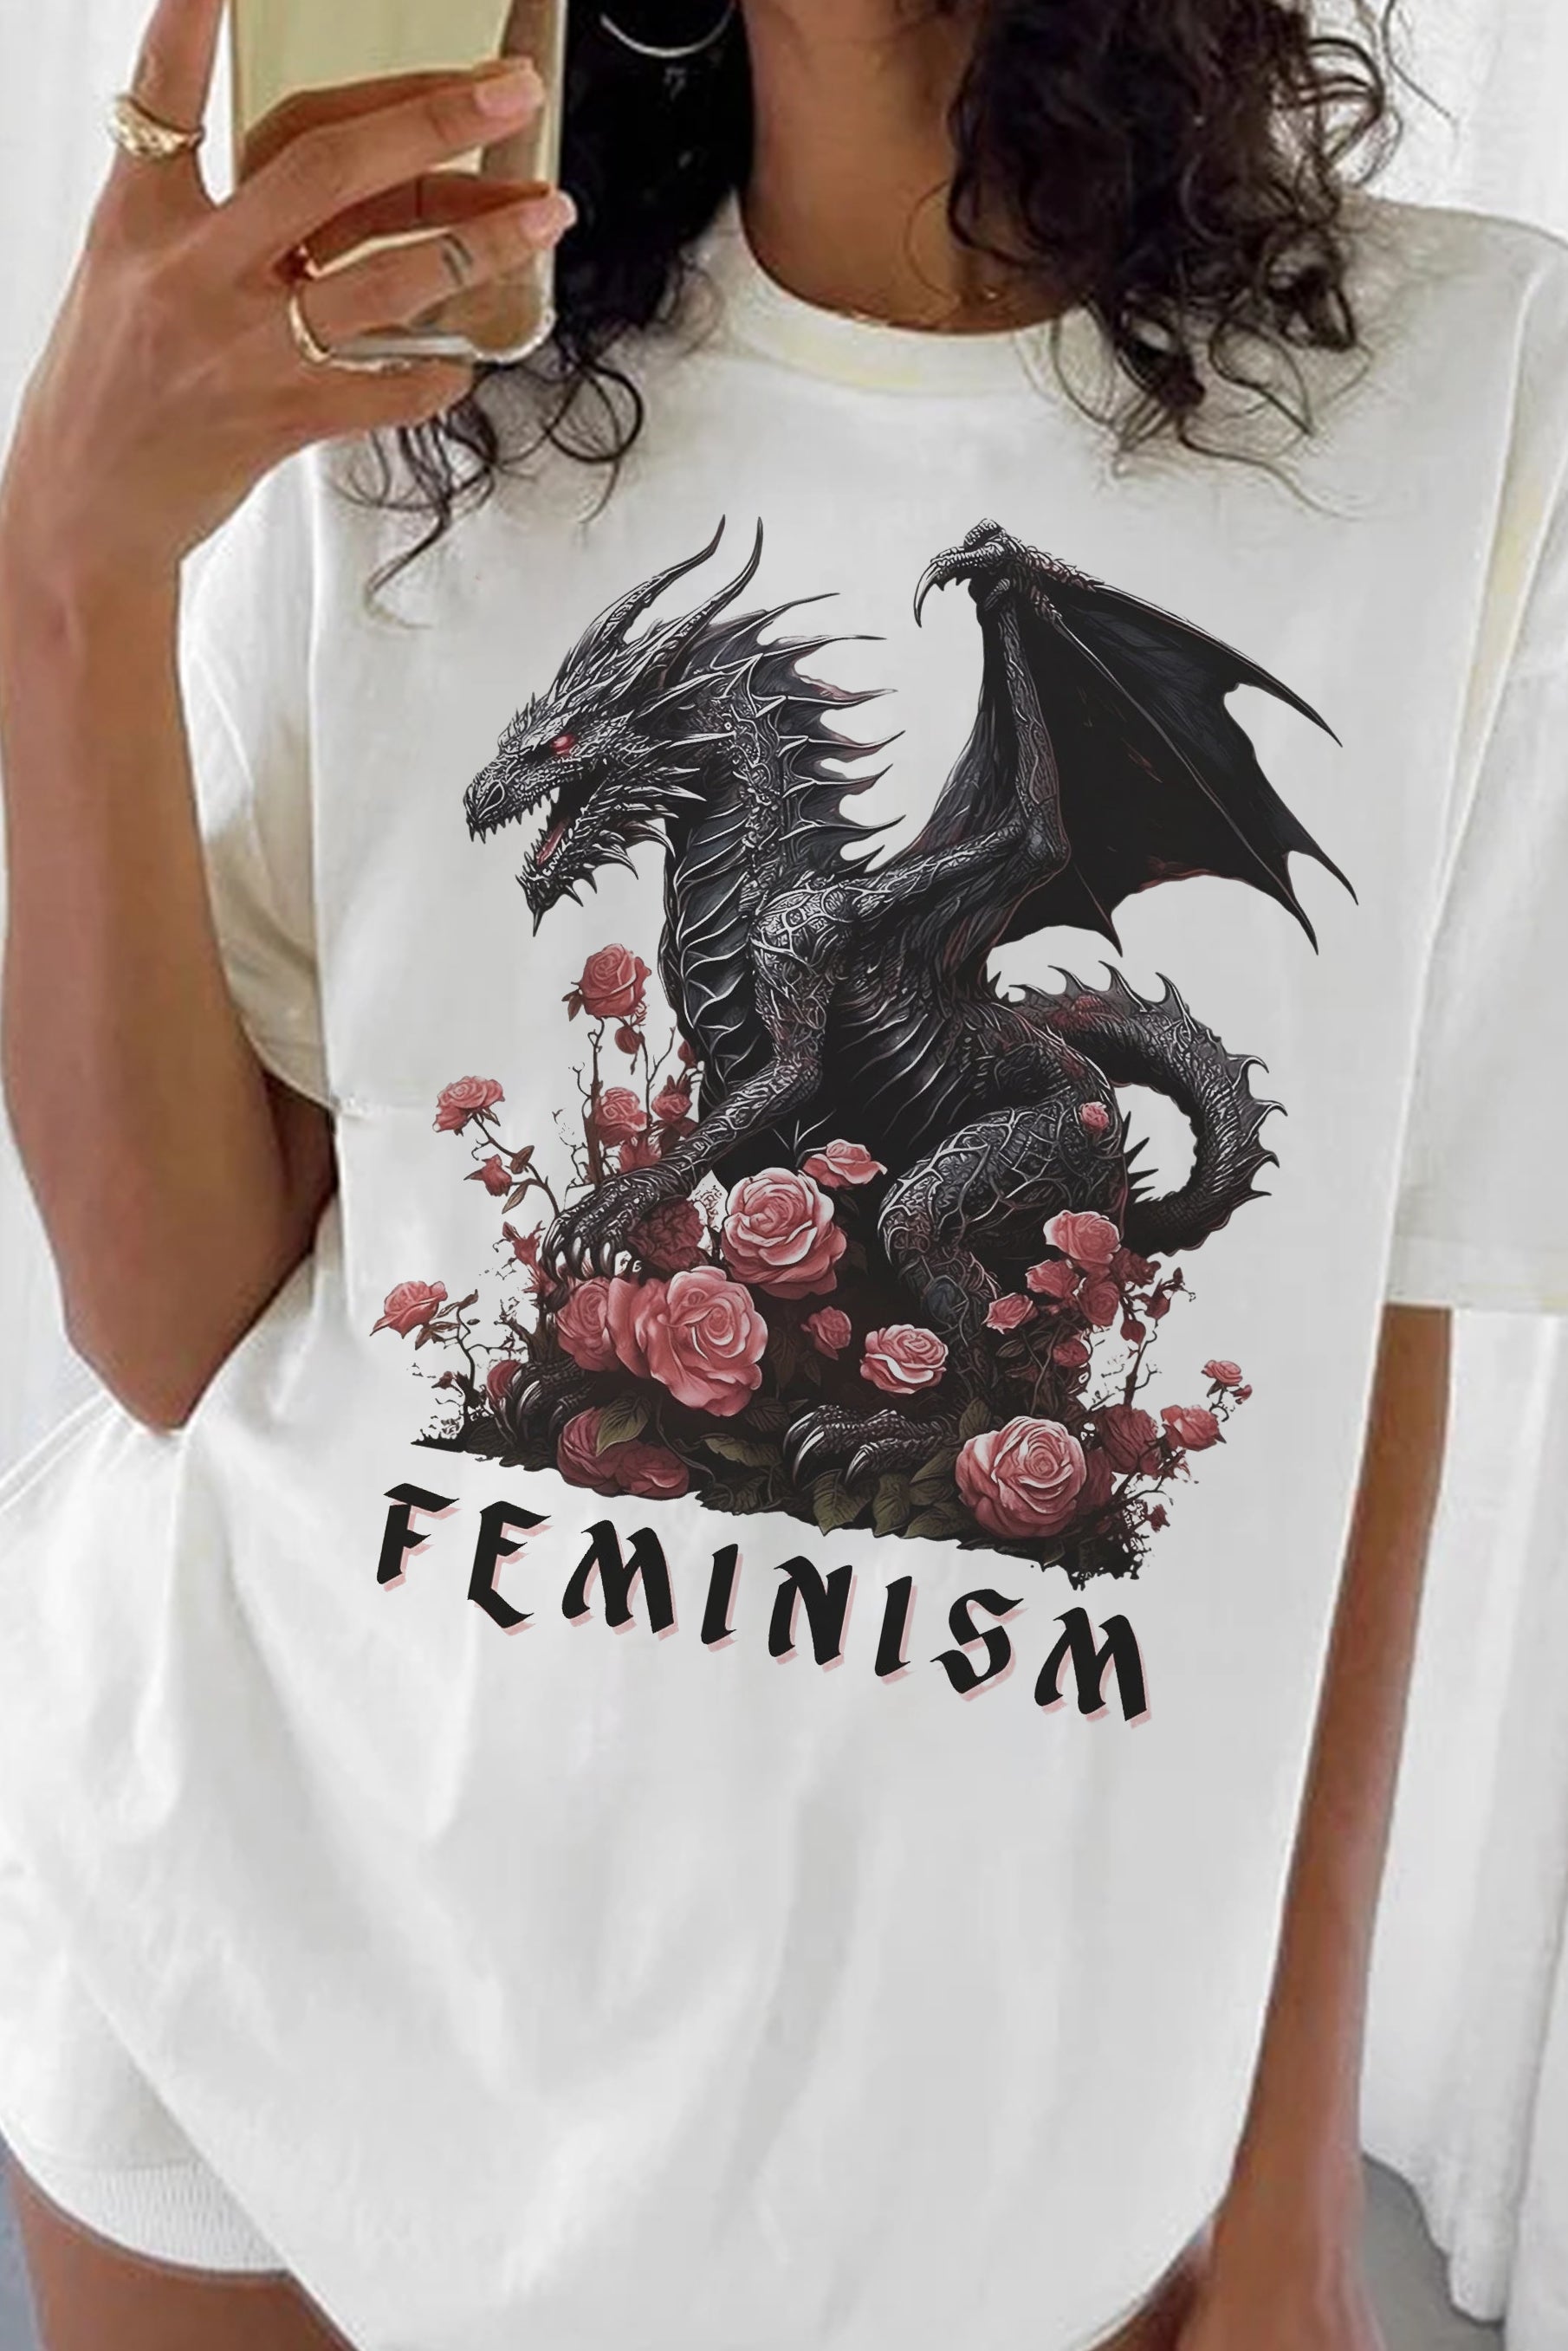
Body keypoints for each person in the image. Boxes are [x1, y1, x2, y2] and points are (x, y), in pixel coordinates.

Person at [0, 0, 1563, 2344]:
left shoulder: (1466, 397)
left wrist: (1282, 2180)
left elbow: (1371, 1333)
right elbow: (170, 1327)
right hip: (252, 1977)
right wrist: (66, 570)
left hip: (975, 2154)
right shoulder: (440, 361)